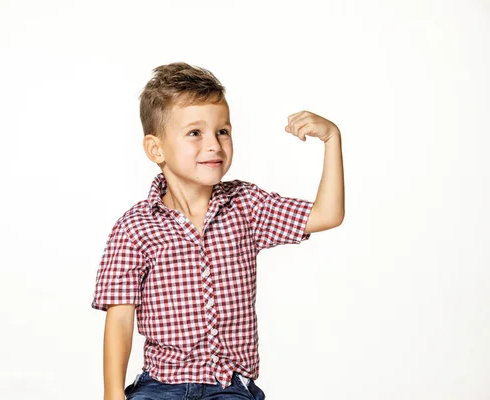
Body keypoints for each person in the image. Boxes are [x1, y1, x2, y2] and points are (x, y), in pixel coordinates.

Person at [91, 62, 345, 400]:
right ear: (156, 149)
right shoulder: (135, 227)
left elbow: (327, 214)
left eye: (222, 131)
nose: (214, 144)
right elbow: (120, 317)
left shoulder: (246, 206)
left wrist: (332, 139)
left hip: (229, 387)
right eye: (195, 133)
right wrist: (112, 393)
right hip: (160, 386)